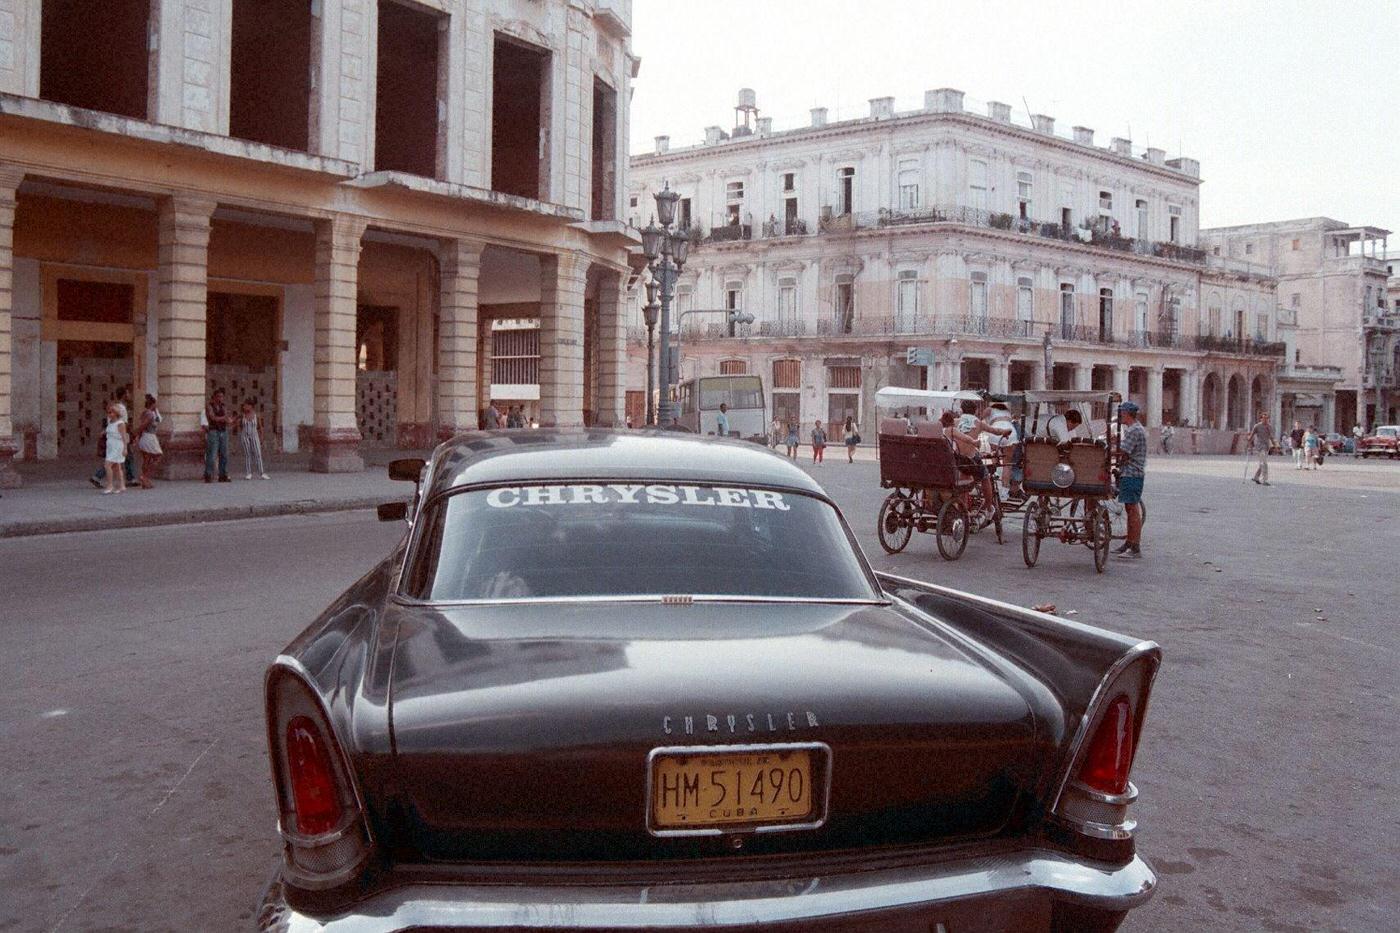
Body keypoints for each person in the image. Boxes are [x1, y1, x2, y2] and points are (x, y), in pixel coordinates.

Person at [942, 407, 1006, 524]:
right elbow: (995, 431)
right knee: (985, 476)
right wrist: (1005, 432)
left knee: (967, 479)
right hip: (967, 459)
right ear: (975, 410)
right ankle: (988, 507)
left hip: (953, 460)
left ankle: (963, 508)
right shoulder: (978, 423)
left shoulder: (955, 421)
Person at [1112, 401, 1148, 559]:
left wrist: (1111, 451)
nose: (1119, 416)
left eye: (1121, 414)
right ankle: (1129, 542)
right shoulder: (1135, 429)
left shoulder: (1134, 430)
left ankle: (1135, 547)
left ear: (1126, 414)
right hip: (1131, 472)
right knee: (1129, 509)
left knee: (1133, 510)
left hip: (1132, 473)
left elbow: (1124, 452)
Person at [204, 388, 233, 483]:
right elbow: (212, 418)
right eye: (219, 396)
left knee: (224, 454)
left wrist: (228, 420)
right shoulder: (210, 406)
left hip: (223, 431)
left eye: (222, 396)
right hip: (213, 431)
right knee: (212, 454)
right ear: (214, 397)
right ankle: (208, 474)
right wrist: (223, 418)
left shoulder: (223, 406)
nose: (220, 398)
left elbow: (226, 417)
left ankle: (223, 474)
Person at [237, 398, 270, 480]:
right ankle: (248, 473)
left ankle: (262, 472)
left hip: (254, 435)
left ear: (250, 406)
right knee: (248, 454)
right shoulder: (242, 415)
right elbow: (238, 425)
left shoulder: (256, 415)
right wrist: (241, 433)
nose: (244, 407)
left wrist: (262, 437)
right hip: (245, 436)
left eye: (246, 405)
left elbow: (260, 427)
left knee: (258, 453)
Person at [134, 394, 163, 489]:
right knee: (158, 456)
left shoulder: (146, 412)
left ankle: (145, 480)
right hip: (150, 437)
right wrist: (136, 434)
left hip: (145, 436)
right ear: (153, 404)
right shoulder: (150, 414)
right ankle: (145, 476)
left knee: (146, 459)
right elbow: (143, 425)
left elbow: (159, 419)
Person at [100, 402, 128, 495]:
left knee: (108, 465)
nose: (109, 414)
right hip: (110, 445)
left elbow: (124, 436)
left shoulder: (120, 423)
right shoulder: (110, 422)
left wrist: (125, 448)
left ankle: (110, 485)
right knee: (117, 466)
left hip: (117, 445)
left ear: (116, 413)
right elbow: (110, 431)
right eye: (108, 412)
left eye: (111, 412)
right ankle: (122, 485)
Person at [1248, 411, 1273, 486]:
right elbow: (1251, 435)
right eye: (1264, 418)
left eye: (1267, 418)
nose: (1265, 420)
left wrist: (1275, 445)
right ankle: (1264, 480)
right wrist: (1249, 444)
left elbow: (1271, 436)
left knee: (1262, 463)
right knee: (1264, 463)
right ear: (1261, 419)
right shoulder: (1257, 426)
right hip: (1259, 447)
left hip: (1266, 446)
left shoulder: (1269, 426)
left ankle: (1256, 477)